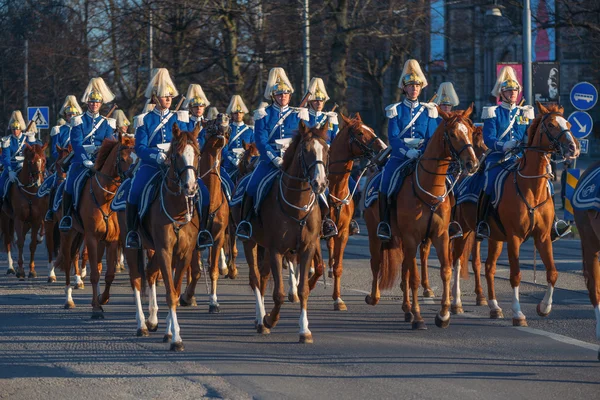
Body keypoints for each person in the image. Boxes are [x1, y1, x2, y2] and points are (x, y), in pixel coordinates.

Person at [476, 66, 570, 241]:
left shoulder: (524, 113)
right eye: (509, 90)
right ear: (501, 93)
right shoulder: (493, 112)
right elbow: (488, 139)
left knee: (546, 182)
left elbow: (531, 134)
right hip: (499, 158)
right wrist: (504, 145)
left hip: (521, 158)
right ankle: (482, 223)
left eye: (515, 90)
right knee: (490, 183)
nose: (513, 93)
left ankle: (554, 222)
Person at [236, 67, 309, 240]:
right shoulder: (263, 114)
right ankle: (246, 222)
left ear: (290, 95)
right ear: (273, 96)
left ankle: (324, 221)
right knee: (252, 186)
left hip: (294, 162)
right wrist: (274, 158)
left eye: (285, 94)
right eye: (279, 94)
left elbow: (305, 139)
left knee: (317, 187)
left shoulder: (298, 114)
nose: (283, 97)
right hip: (270, 162)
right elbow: (261, 141)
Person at [125, 68, 193, 249]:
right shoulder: (144, 120)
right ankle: (132, 232)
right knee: (135, 191)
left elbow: (188, 142)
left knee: (201, 189)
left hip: (177, 166)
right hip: (152, 166)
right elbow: (140, 148)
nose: (169, 99)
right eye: (165, 96)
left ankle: (202, 232)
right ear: (155, 98)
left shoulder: (179, 119)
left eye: (170, 96)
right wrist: (158, 156)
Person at [377, 59, 438, 241]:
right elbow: (394, 138)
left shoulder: (428, 111)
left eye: (417, 86)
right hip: (400, 157)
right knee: (385, 182)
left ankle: (448, 222)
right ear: (404, 88)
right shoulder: (395, 110)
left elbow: (431, 137)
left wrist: (424, 152)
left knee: (447, 182)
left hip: (422, 157)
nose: (414, 89)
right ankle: (385, 224)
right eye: (410, 86)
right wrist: (406, 152)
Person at [58, 78, 116, 232]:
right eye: (91, 102)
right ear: (87, 103)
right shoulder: (78, 120)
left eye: (97, 102)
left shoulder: (107, 123)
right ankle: (67, 217)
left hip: (100, 162)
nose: (94, 104)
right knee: (70, 184)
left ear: (101, 104)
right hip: (80, 162)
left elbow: (109, 142)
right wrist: (85, 159)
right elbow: (76, 143)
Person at [434, 81, 462, 239]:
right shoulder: (433, 119)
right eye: (443, 105)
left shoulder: (456, 122)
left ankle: (453, 222)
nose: (446, 108)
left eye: (448, 105)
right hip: (427, 159)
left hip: (451, 163)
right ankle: (386, 221)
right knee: (389, 182)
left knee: (457, 190)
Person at [0, 111, 38, 210]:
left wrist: (32, 139)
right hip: (12, 167)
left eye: (17, 129)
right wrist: (9, 171)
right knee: (1, 183)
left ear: (21, 128)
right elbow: (6, 158)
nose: (15, 132)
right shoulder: (7, 140)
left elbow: (36, 152)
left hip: (26, 165)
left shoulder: (27, 138)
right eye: (13, 129)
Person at [222, 95, 254, 176]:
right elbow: (224, 149)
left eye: (240, 112)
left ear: (243, 114)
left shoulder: (250, 130)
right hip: (229, 165)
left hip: (246, 164)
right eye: (235, 113)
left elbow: (253, 148)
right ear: (232, 115)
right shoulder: (226, 130)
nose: (238, 115)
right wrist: (232, 160)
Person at [183, 84, 210, 149]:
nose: (198, 108)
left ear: (204, 107)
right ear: (190, 108)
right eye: (195, 106)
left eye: (201, 106)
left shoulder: (209, 123)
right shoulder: (185, 123)